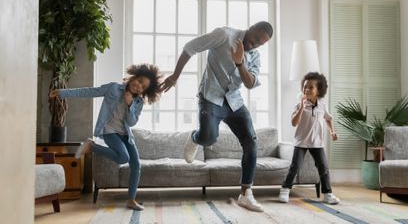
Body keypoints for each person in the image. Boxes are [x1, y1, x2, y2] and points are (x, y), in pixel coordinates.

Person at [160, 21, 273, 212]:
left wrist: (240, 63)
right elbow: (190, 48)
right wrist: (175, 76)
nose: (254, 45)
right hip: (211, 97)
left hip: (234, 102)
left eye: (260, 44)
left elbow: (250, 83)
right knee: (209, 137)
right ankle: (195, 137)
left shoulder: (255, 56)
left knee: (251, 142)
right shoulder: (223, 35)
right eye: (254, 39)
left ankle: (246, 194)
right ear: (251, 28)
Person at [49, 63, 163, 211]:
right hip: (109, 132)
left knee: (136, 165)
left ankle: (131, 200)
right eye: (140, 81)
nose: (139, 87)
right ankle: (92, 146)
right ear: (134, 76)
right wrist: (63, 93)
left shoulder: (138, 102)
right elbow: (89, 91)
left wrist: (129, 105)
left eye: (143, 87)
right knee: (123, 158)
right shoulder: (113, 88)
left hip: (126, 135)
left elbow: (131, 122)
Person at [278, 72, 340, 205]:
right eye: (305, 87)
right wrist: (301, 107)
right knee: (295, 166)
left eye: (310, 87)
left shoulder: (322, 106)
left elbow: (328, 119)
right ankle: (285, 190)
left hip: (317, 143)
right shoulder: (299, 105)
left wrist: (332, 132)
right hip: (301, 142)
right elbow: (294, 123)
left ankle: (328, 194)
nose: (306, 90)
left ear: (319, 91)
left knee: (323, 167)